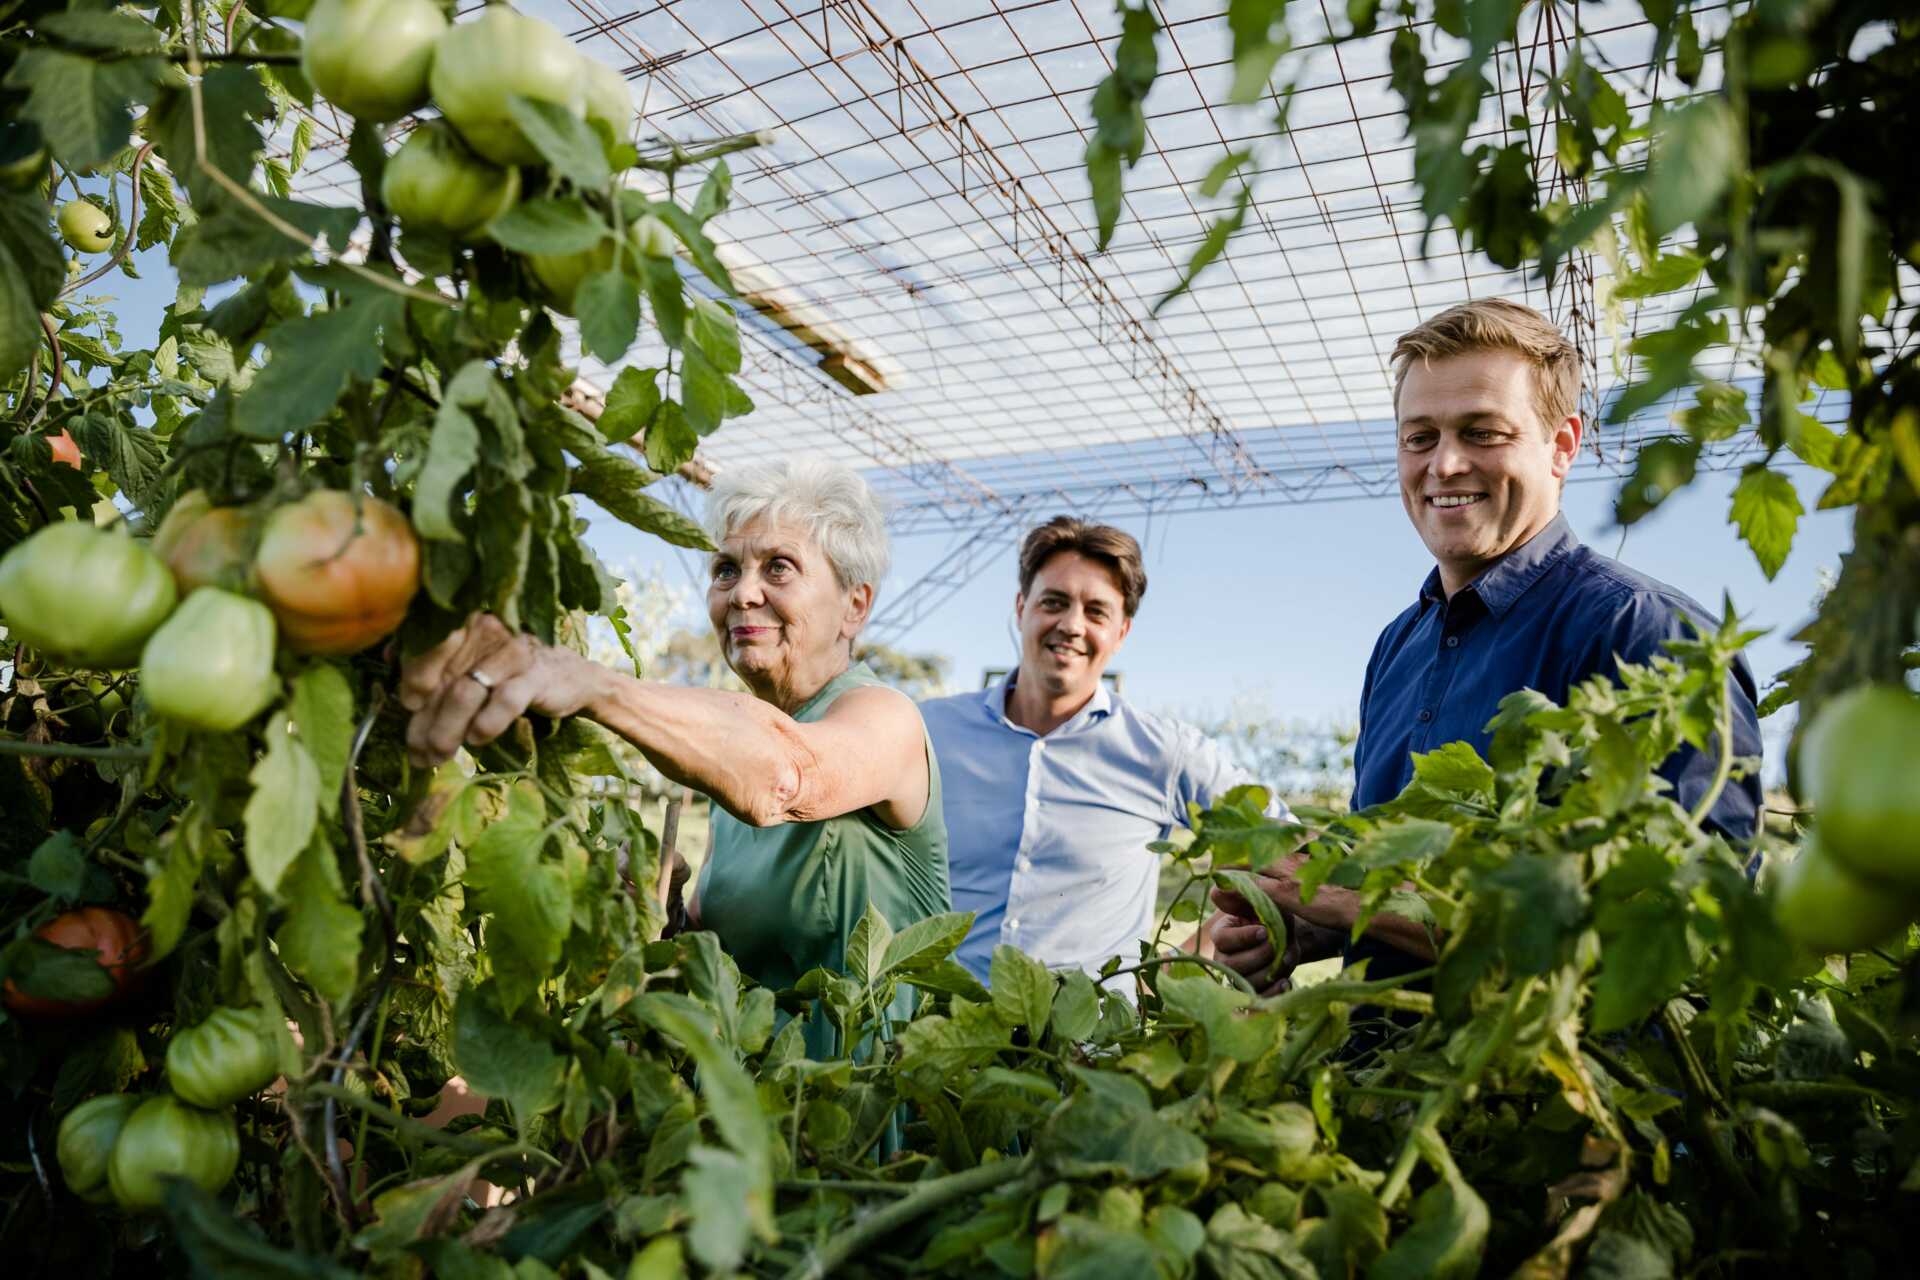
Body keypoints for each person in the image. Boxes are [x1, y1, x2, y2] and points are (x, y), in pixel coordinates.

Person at [1204, 298, 1764, 1016]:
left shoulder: (1645, 635)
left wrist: (1349, 896)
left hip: (1561, 1113)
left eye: (1482, 432)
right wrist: (1296, 926)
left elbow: (1680, 928)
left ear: (1563, 445)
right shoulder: (1397, 647)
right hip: (1388, 1097)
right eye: (1418, 438)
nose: (1444, 464)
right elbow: (1390, 896)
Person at [401, 458, 951, 1059]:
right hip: (748, 1112)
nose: (743, 593)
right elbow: (717, 960)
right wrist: (662, 915)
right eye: (725, 570)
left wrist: (591, 684)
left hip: (855, 1115)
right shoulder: (725, 771)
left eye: (779, 567)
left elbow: (788, 775)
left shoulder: (885, 718)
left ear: (855, 606)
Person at [920, 517, 1285, 985]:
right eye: (1054, 602)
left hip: (1090, 1049)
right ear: (1020, 607)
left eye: (1096, 612)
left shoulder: (1164, 752)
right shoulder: (929, 731)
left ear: (1122, 631)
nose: (1071, 625)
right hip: (935, 1032)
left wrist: (1182, 965)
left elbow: (1283, 843)